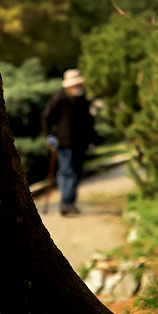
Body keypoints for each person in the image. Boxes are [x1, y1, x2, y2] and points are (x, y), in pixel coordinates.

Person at [41, 68, 95, 216]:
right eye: (75, 85)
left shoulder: (82, 99)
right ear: (68, 85)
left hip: (81, 142)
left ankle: (69, 202)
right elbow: (46, 117)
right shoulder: (59, 98)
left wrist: (91, 140)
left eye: (79, 84)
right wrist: (50, 136)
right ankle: (65, 204)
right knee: (67, 172)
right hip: (64, 142)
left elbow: (89, 121)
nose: (78, 87)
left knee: (76, 173)